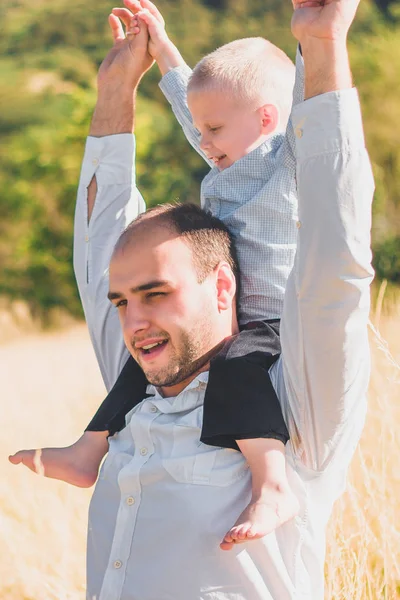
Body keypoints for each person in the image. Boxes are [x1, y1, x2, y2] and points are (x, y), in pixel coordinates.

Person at [72, 0, 373, 595]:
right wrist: (118, 88)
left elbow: (334, 256)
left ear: (221, 284)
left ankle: (272, 491)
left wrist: (319, 43)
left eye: (158, 292)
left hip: (264, 335)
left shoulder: (295, 395)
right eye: (125, 301)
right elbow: (100, 251)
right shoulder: (144, 371)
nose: (135, 319)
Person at [10, 0, 307, 550]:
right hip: (221, 311)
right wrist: (162, 46)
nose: (204, 141)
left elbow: (312, 96)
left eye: (214, 129)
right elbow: (188, 100)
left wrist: (311, 35)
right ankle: (87, 451)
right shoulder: (223, 154)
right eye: (203, 130)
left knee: (237, 370)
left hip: (265, 320)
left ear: (266, 118)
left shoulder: (285, 160)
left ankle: (271, 485)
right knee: (137, 366)